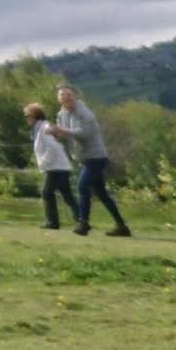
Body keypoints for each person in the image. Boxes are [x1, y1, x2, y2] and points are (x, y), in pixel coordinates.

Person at [47, 84, 129, 236]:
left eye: (68, 94)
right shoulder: (61, 115)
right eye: (62, 95)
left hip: (96, 157)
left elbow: (84, 133)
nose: (66, 97)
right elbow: (66, 139)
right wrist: (55, 134)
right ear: (59, 99)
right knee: (102, 194)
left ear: (74, 96)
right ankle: (122, 226)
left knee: (82, 186)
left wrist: (61, 130)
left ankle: (83, 223)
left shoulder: (84, 112)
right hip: (84, 158)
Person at [26, 103, 79, 231]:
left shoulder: (45, 128)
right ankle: (81, 220)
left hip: (55, 167)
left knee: (47, 193)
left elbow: (53, 148)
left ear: (34, 116)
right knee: (67, 196)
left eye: (27, 115)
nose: (26, 118)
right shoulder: (40, 128)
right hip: (59, 166)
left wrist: (42, 163)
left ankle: (52, 222)